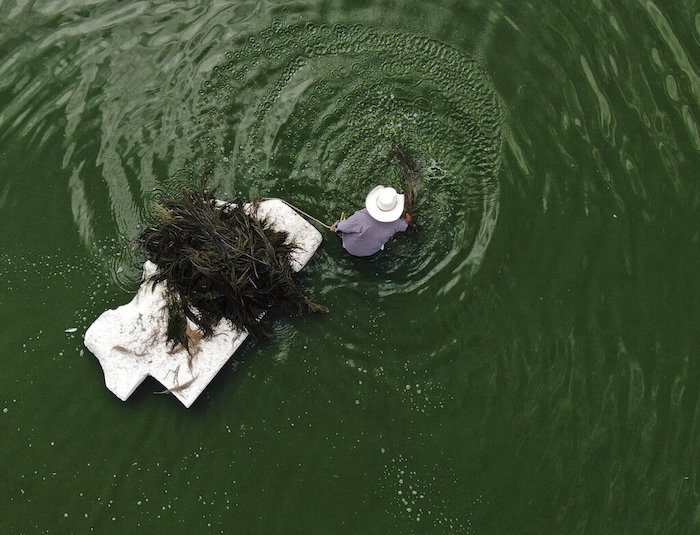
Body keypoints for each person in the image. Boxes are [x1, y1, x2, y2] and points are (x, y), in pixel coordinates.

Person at [332, 185, 413, 257]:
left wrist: (336, 225)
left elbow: (342, 227)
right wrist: (406, 220)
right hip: (371, 251)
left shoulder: (360, 217)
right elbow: (404, 226)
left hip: (350, 248)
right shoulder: (396, 224)